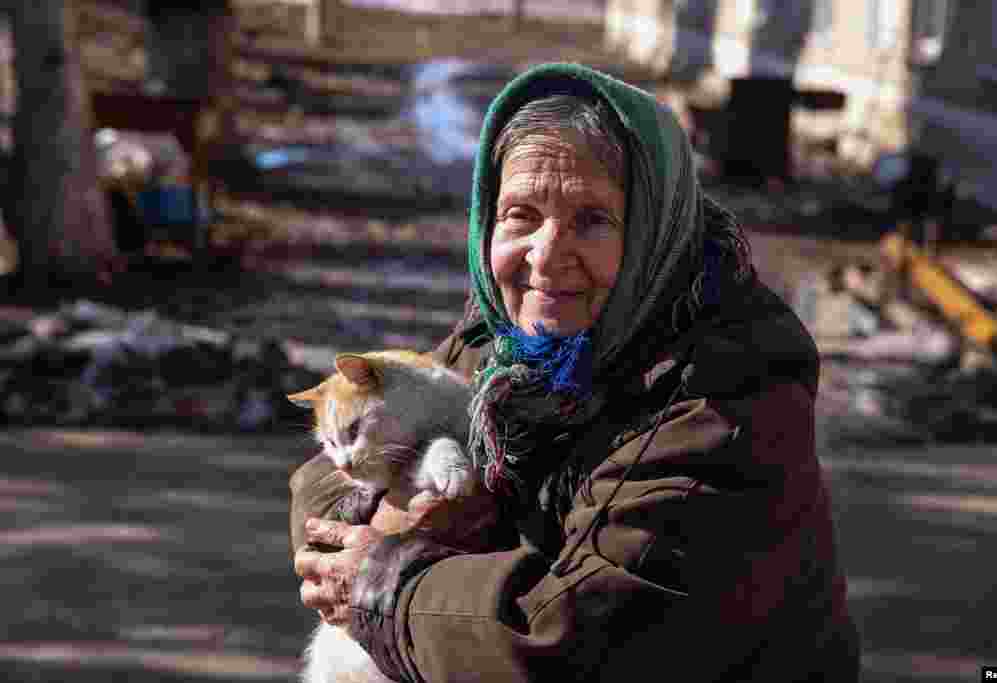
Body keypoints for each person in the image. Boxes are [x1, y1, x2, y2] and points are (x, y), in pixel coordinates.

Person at [291, 63, 860, 682]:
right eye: (521, 214)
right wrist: (384, 519)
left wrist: (387, 585)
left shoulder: (727, 394)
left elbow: (569, 640)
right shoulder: (501, 342)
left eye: (591, 219)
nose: (547, 254)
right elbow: (319, 482)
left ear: (653, 232)